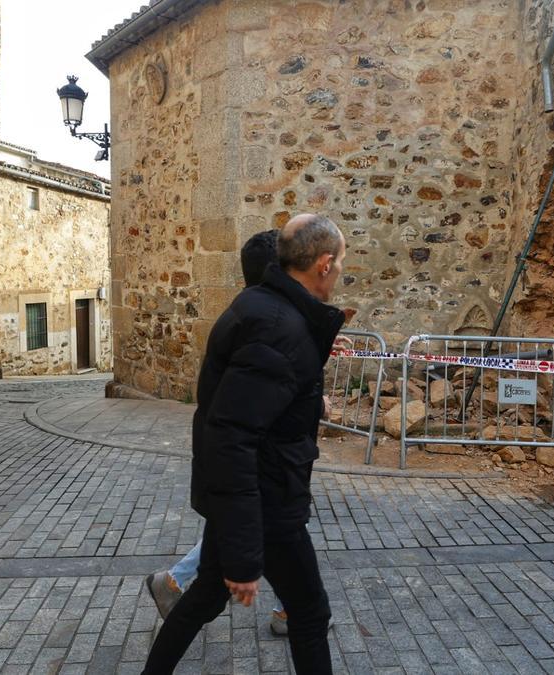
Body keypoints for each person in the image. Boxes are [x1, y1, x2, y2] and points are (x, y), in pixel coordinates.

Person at [142, 214, 347, 674]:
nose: (340, 276)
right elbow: (233, 438)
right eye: (340, 266)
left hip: (252, 498)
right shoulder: (279, 327)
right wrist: (242, 555)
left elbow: (257, 407)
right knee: (310, 613)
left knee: (201, 599)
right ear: (324, 264)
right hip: (267, 502)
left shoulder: (265, 310)